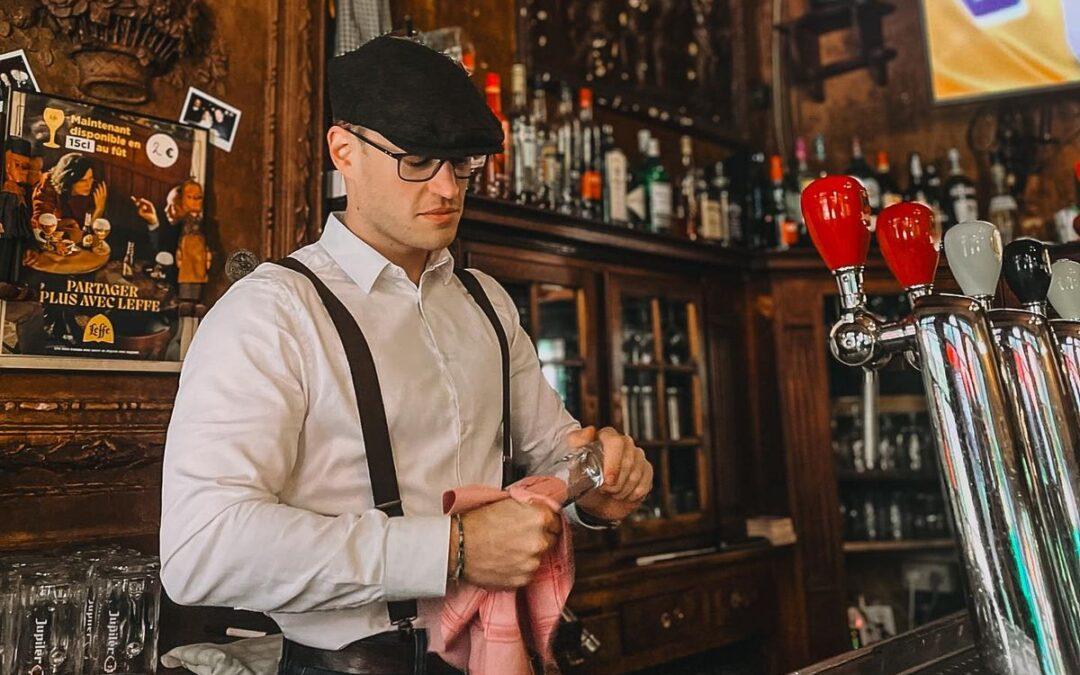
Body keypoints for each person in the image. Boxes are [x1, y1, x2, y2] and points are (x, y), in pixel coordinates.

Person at [160, 35, 653, 675]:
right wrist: (451, 549)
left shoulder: (487, 303)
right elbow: (202, 550)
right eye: (418, 159)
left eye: (462, 162)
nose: (448, 187)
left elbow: (558, 450)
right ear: (345, 151)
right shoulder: (272, 312)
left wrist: (596, 486)